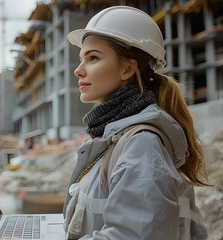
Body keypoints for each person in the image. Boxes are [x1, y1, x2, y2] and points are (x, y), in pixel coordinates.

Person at [63, 6, 209, 240]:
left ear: (127, 69)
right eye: (82, 58)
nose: (78, 70)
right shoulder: (113, 137)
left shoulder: (142, 145)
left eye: (93, 58)